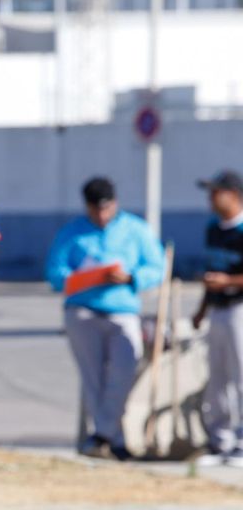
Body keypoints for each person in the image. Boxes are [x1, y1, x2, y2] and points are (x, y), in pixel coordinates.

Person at [44, 177, 165, 460]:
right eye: (95, 209)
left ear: (115, 203)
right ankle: (115, 439)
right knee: (93, 379)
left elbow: (157, 266)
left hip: (122, 309)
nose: (102, 215)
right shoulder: (72, 232)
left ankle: (103, 433)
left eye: (106, 208)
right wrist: (83, 279)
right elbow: (55, 273)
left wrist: (131, 277)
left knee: (122, 374)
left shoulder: (135, 229)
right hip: (83, 311)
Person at [192, 170, 243, 467]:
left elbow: (225, 277)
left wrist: (228, 282)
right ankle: (220, 439)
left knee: (241, 376)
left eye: (216, 192)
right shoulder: (213, 228)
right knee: (218, 378)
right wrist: (201, 310)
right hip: (219, 310)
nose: (210, 199)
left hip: (239, 307)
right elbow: (212, 272)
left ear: (234, 195)